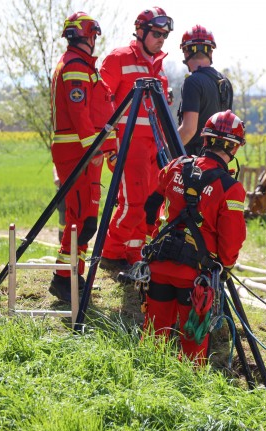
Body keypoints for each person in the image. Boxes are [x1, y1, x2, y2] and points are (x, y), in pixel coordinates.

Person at [143, 110, 247, 365]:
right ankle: (188, 392)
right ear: (234, 147)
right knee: (193, 343)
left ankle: (146, 384)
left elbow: (151, 203)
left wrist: (152, 235)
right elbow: (232, 238)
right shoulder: (230, 188)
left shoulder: (177, 165)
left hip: (159, 265)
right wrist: (225, 265)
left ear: (206, 139)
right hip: (196, 277)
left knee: (154, 338)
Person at [99, 7, 174, 273]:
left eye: (164, 35)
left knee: (150, 205)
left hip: (155, 148)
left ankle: (134, 254)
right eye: (156, 33)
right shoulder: (118, 58)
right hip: (128, 145)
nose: (161, 39)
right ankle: (110, 251)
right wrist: (109, 148)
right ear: (140, 31)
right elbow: (100, 103)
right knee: (133, 203)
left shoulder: (160, 69)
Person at [48, 11, 116, 302]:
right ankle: (63, 279)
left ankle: (74, 275)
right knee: (81, 221)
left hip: (86, 155)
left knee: (85, 219)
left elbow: (98, 112)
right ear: (88, 36)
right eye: (93, 36)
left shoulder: (83, 66)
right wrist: (96, 151)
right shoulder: (75, 66)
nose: (94, 42)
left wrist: (106, 151)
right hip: (79, 155)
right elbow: (80, 116)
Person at [177, 25, 233, 156]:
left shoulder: (192, 82)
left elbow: (188, 130)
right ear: (211, 52)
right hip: (218, 162)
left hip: (194, 164)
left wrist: (166, 151)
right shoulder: (225, 82)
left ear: (186, 52)